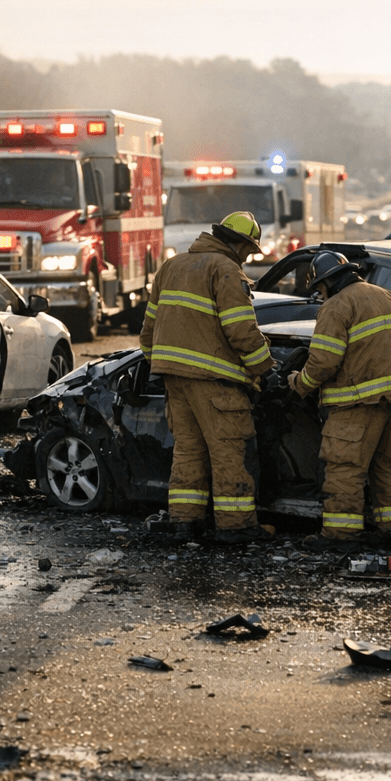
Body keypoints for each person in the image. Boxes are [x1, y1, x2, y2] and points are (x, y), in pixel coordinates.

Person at [139, 211, 273, 544]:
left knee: (188, 451)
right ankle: (236, 526)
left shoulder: (172, 267)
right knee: (228, 451)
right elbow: (241, 332)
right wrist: (265, 370)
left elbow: (147, 333)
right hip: (215, 382)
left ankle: (185, 523)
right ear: (239, 243)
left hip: (173, 380)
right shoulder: (226, 270)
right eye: (249, 250)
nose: (249, 256)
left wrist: (165, 365)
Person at [289, 251, 391, 553]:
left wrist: (300, 384)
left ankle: (340, 535)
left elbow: (324, 362)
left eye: (320, 289)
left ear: (327, 282)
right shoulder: (390, 297)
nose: (320, 295)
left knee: (344, 468)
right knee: (389, 466)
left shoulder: (336, 306)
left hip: (357, 403)